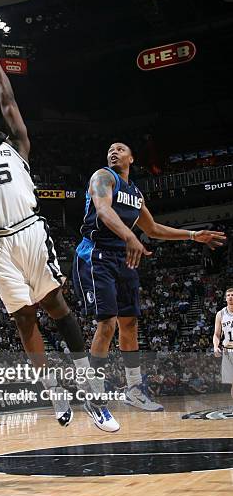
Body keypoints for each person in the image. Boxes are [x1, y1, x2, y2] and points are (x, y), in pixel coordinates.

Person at [0, 38, 118, 432]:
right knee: (24, 319)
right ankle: (52, 387)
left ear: (7, 140)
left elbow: (8, 103)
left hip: (28, 231)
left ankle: (90, 391)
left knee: (56, 307)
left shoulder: (19, 147)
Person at [73, 142, 226, 411]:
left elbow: (152, 228)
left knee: (129, 323)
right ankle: (92, 388)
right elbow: (103, 210)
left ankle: (134, 388)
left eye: (120, 149)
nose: (113, 151)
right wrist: (131, 235)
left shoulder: (135, 193)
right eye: (110, 149)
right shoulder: (103, 177)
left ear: (131, 158)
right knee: (107, 322)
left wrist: (192, 236)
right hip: (96, 253)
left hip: (124, 256)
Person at [213, 287, 233, 398]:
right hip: (228, 352)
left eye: (232, 295)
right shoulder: (220, 314)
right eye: (228, 295)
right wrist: (216, 346)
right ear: (225, 298)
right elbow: (216, 334)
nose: (230, 297)